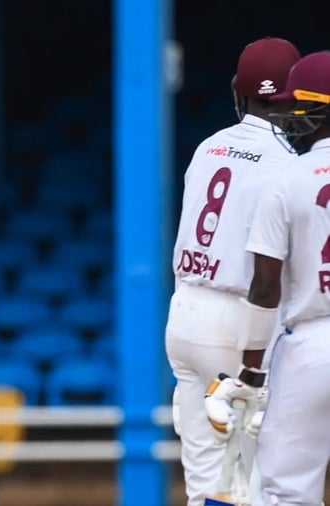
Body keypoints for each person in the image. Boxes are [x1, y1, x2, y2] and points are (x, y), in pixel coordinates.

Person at [164, 37, 301, 505]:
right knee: (259, 475)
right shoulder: (289, 161)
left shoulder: (209, 147)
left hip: (186, 311)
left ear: (238, 91)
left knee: (206, 480)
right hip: (244, 320)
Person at [205, 50, 330, 505]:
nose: (291, 115)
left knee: (288, 491)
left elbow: (264, 286)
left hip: (311, 343)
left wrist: (251, 372)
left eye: (298, 104)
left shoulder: (286, 176)